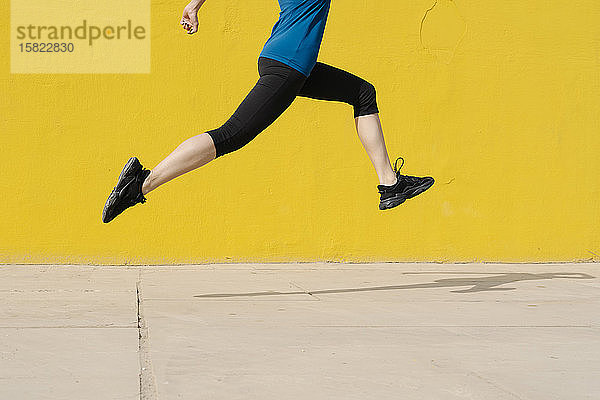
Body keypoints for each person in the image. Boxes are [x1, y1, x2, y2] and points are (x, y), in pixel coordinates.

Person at [102, 0, 434, 223]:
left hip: (283, 59)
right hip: (289, 65)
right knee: (230, 135)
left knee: (362, 92)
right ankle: (139, 185)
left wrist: (194, 4)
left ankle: (390, 184)